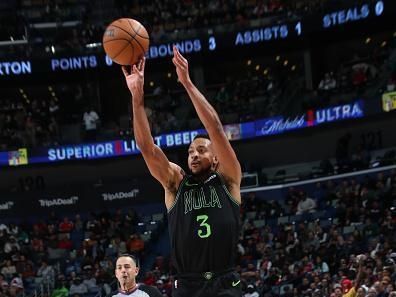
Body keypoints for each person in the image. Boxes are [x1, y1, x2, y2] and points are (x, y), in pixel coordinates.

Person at [122, 46, 242, 297]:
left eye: (201, 150)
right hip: (187, 285)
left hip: (224, 281)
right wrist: (137, 98)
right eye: (190, 151)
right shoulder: (176, 183)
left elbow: (216, 128)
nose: (194, 155)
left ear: (216, 159)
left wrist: (186, 82)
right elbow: (146, 147)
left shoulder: (228, 180)